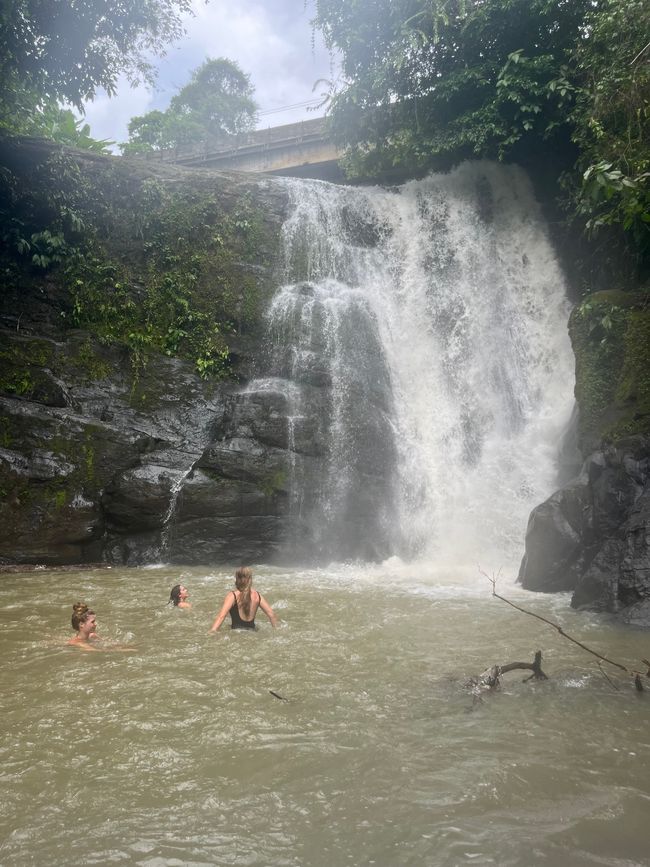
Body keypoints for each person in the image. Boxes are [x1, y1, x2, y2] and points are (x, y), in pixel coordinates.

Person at [209, 566, 278, 632]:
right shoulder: (257, 595)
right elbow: (272, 615)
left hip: (236, 636)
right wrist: (276, 630)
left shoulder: (233, 596)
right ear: (250, 579)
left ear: (237, 579)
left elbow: (221, 616)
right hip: (252, 634)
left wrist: (212, 631)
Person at [66, 602, 135, 652]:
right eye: (92, 622)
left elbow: (108, 644)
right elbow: (97, 651)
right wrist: (126, 650)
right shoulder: (75, 642)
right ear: (81, 624)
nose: (95, 624)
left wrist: (128, 646)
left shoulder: (92, 636)